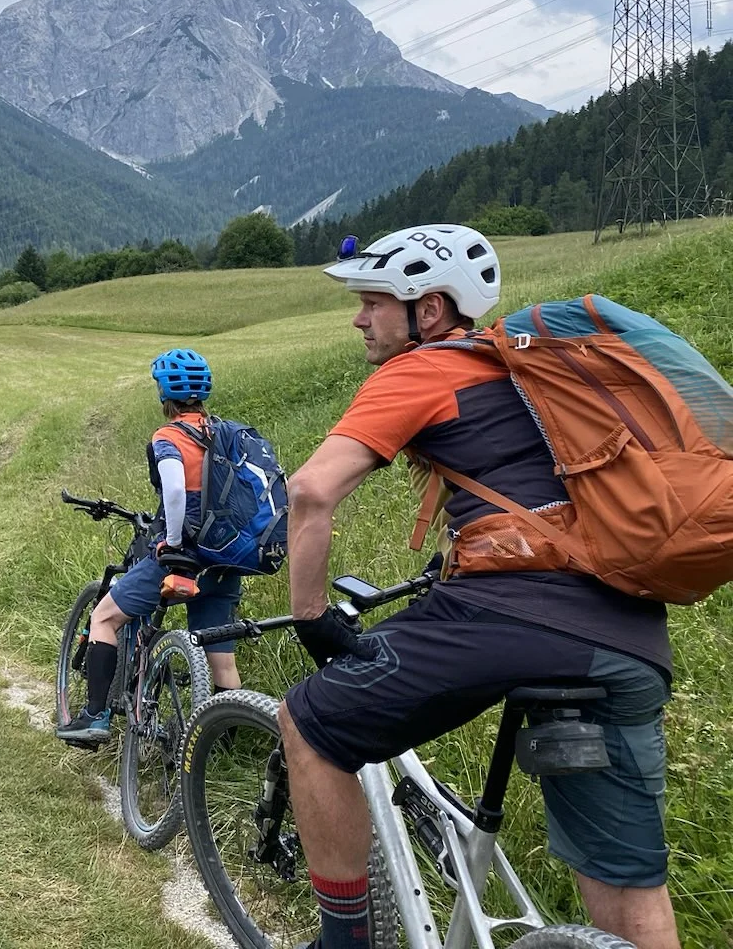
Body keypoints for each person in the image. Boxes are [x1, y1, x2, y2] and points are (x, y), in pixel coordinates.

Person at [279, 224, 678, 949]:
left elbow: (310, 493)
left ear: (428, 311)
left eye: (374, 302)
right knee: (626, 879)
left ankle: (344, 943)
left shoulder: (423, 369)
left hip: (510, 617)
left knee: (307, 724)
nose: (359, 318)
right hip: (629, 640)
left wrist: (310, 617)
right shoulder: (536, 373)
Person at [57, 348, 246, 747]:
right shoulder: (226, 433)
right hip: (225, 562)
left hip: (184, 560)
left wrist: (173, 542)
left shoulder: (170, 436)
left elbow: (175, 489)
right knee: (220, 657)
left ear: (164, 392)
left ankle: (94, 718)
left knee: (105, 618)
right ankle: (226, 746)